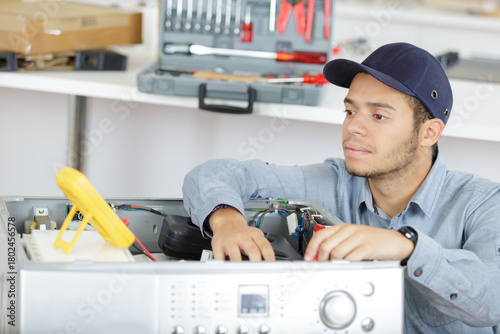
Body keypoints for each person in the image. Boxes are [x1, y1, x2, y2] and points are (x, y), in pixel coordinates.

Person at [182, 42, 500, 333]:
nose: (354, 128)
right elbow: (214, 173)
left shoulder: (483, 203)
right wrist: (227, 222)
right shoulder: (333, 181)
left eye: (378, 115)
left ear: (428, 133)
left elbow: (492, 298)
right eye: (350, 111)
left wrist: (408, 248)